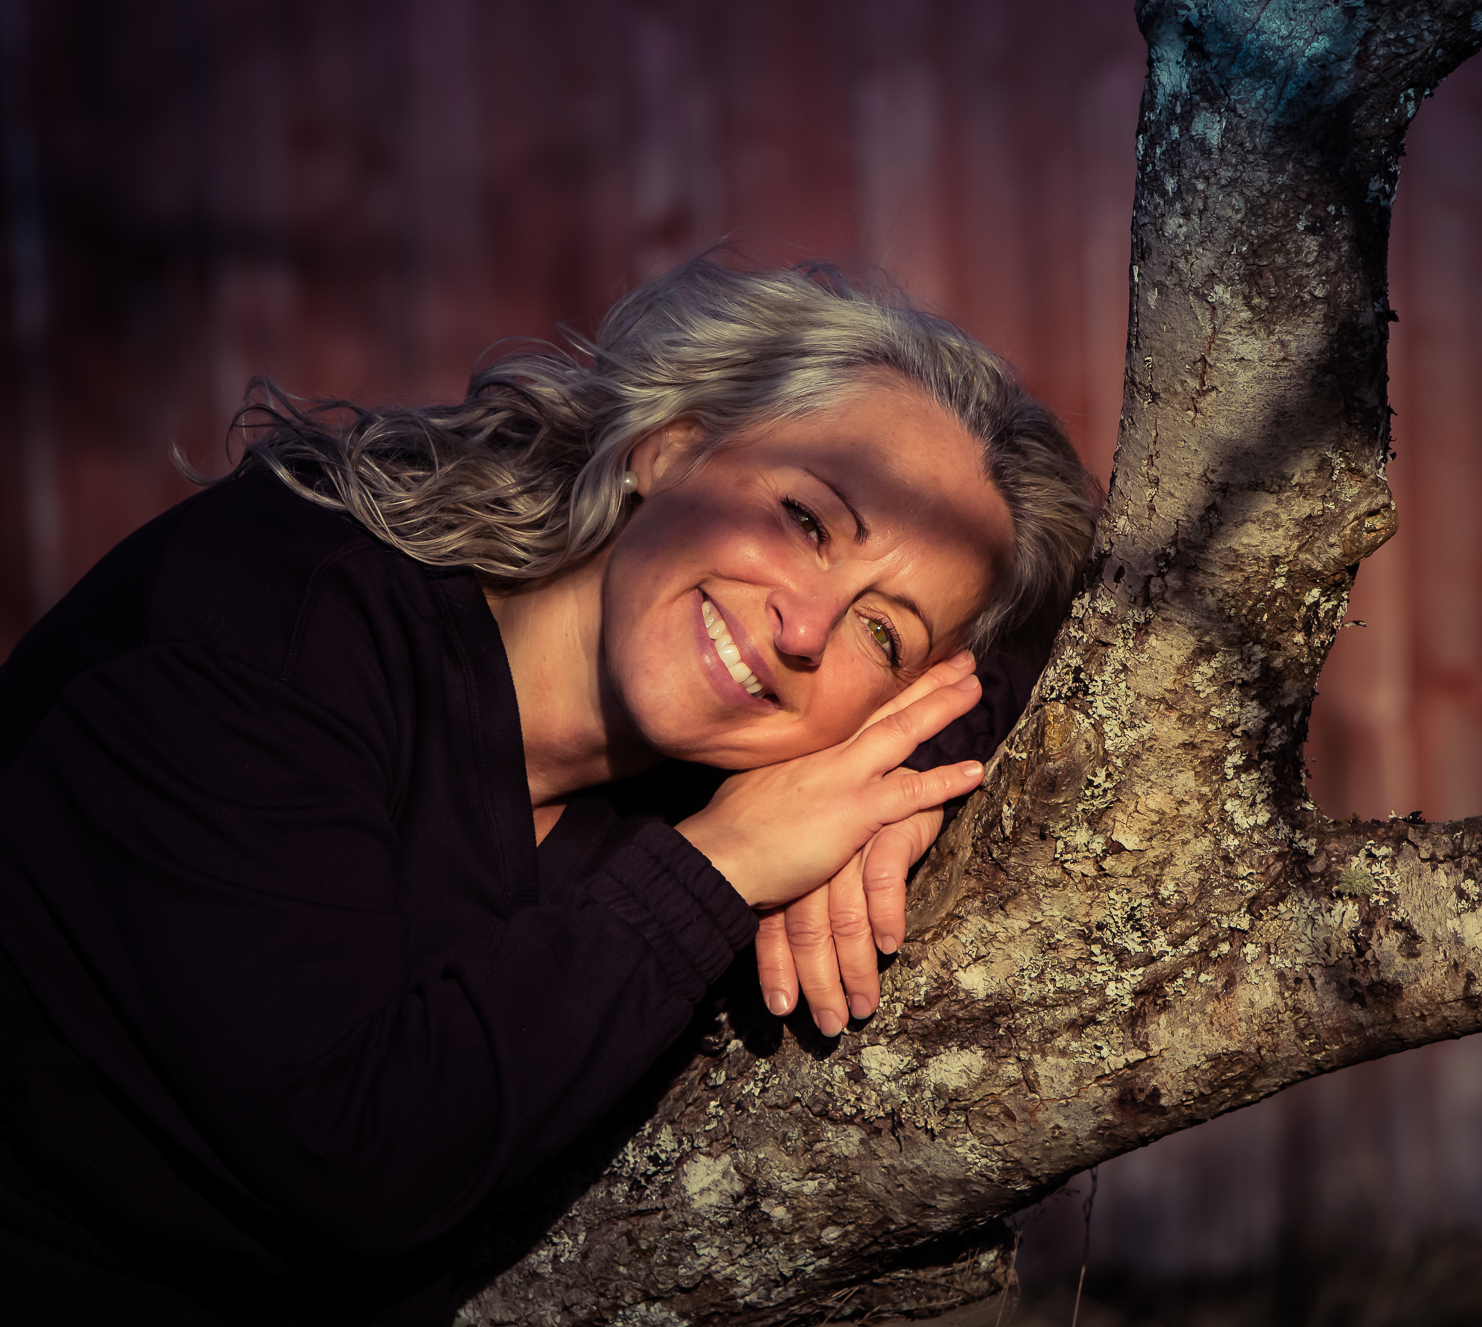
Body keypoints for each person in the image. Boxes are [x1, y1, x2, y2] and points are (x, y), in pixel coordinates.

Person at [0, 257, 1099, 1324]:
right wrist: (719, 868)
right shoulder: (289, 615)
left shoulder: (695, 763)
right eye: (806, 521)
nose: (805, 629)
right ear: (669, 446)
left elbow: (1039, 688)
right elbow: (354, 1153)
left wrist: (902, 786)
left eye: (881, 633)